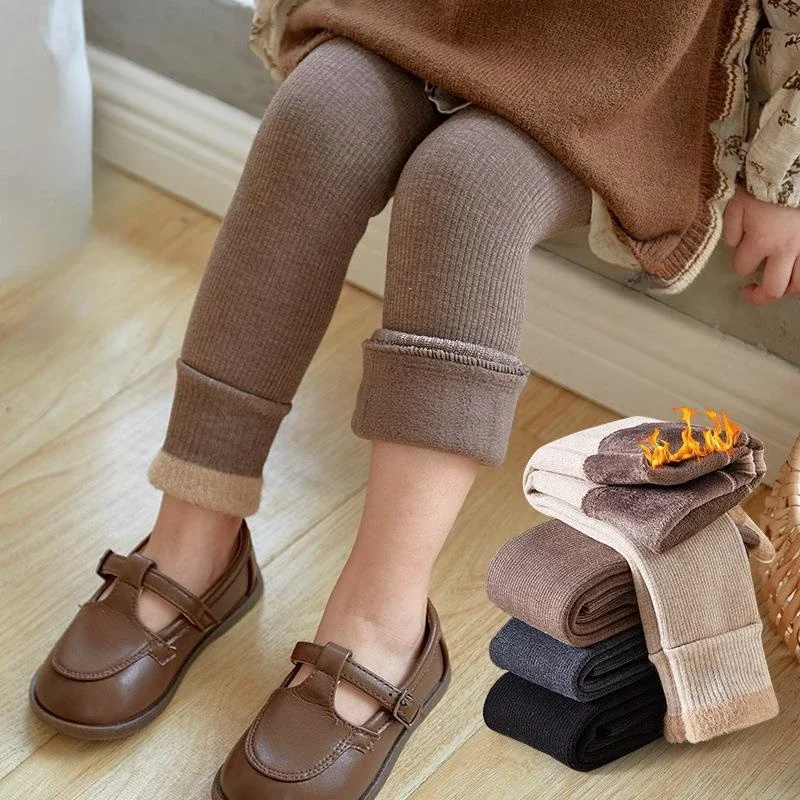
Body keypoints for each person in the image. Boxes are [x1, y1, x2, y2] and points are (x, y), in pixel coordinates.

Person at [29, 1, 800, 798]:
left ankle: (382, 618)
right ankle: (194, 529)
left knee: (468, 187)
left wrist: (784, 178)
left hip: (619, 68)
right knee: (317, 119)